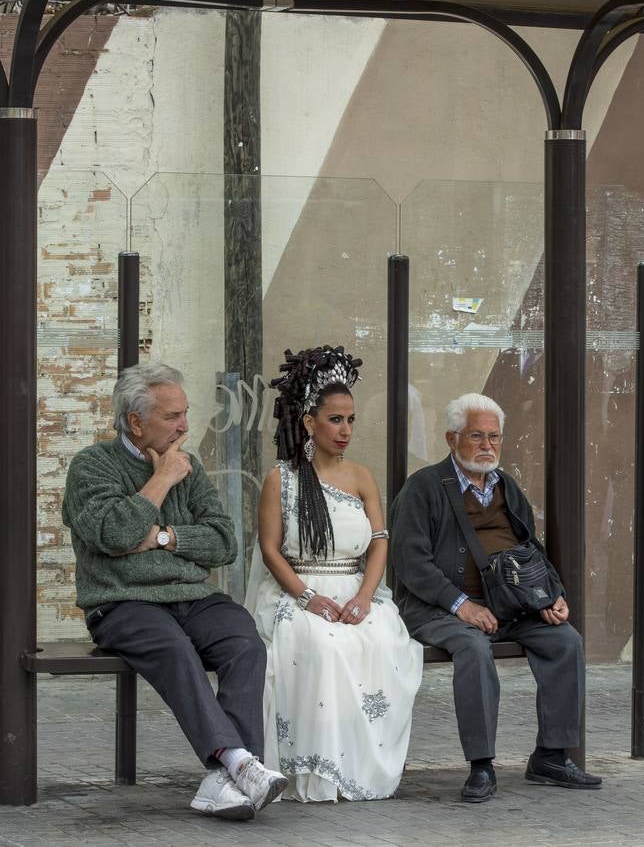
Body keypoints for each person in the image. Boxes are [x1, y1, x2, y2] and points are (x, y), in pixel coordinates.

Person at [62, 362, 287, 821]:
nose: (184, 425)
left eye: (185, 413)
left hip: (191, 596)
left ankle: (224, 781)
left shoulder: (190, 464)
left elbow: (224, 541)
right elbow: (117, 533)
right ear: (135, 421)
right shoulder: (92, 466)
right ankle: (240, 761)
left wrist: (164, 537)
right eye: (172, 417)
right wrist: (162, 478)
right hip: (120, 602)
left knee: (244, 641)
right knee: (175, 649)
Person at [390, 392, 602, 803]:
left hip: (508, 604)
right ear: (452, 439)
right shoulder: (424, 487)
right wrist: (463, 606)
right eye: (476, 436)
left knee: (565, 641)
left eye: (494, 437)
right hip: (441, 607)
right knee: (473, 647)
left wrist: (553, 594)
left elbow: (531, 548)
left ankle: (551, 756)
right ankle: (482, 764)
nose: (487, 445)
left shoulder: (506, 485)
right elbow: (409, 562)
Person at [245, 346, 423, 802]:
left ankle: (358, 765)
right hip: (298, 590)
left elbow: (379, 540)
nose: (345, 430)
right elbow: (269, 549)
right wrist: (307, 598)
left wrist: (365, 596)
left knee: (382, 641)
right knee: (322, 645)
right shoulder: (281, 478)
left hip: (355, 588)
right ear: (309, 422)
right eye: (335, 420)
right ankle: (314, 770)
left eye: (350, 420)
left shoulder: (362, 476)